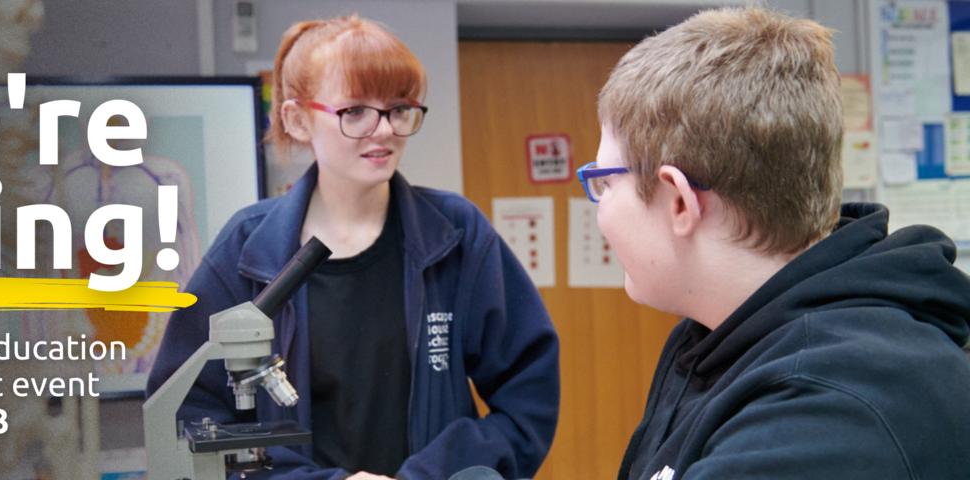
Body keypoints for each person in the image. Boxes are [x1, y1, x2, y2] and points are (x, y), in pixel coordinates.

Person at [146, 14, 560, 480]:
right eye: (355, 111)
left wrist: (431, 474)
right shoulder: (247, 249)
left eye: (398, 108)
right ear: (298, 120)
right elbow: (191, 417)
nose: (383, 129)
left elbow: (528, 398)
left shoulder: (455, 234)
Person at [577, 7, 970, 479]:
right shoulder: (718, 337)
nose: (600, 210)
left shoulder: (828, 410)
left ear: (678, 200)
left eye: (604, 181)